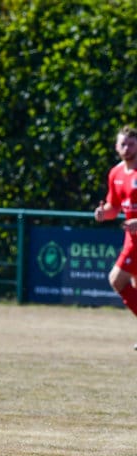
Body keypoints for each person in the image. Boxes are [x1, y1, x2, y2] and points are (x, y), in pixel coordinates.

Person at [94, 125, 137, 347]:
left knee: (116, 279)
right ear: (116, 147)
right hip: (132, 238)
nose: (127, 148)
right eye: (123, 144)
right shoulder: (116, 173)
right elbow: (114, 207)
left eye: (131, 144)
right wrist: (104, 214)